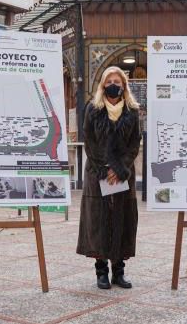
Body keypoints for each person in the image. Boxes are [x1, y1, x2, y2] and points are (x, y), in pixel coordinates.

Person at [76, 66, 141, 290]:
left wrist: (120, 168)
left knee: (122, 219)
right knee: (98, 221)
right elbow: (90, 142)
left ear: (124, 85)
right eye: (109, 80)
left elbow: (135, 143)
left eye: (118, 81)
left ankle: (119, 271)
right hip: (97, 173)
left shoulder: (132, 111)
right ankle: (101, 271)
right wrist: (106, 168)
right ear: (103, 84)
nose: (114, 84)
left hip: (123, 174)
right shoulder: (92, 109)